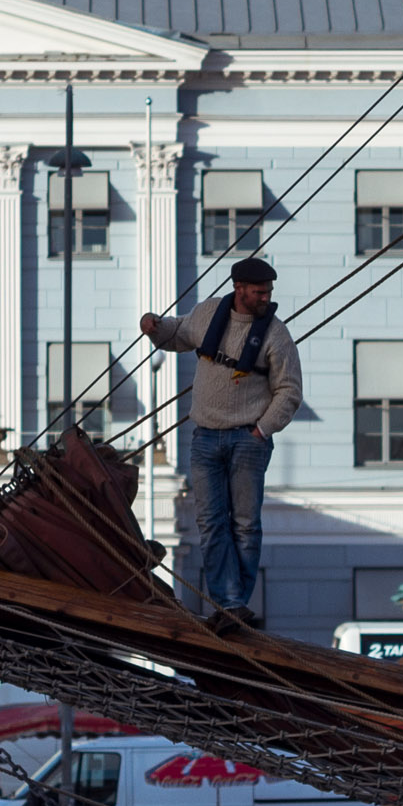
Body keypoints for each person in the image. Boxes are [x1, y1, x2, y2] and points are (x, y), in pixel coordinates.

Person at [139, 255, 303, 625]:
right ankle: (229, 604)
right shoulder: (208, 313)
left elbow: (289, 391)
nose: (266, 297)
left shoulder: (276, 334)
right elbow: (177, 334)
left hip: (248, 440)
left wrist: (262, 430)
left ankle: (232, 604)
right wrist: (152, 326)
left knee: (244, 524)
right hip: (205, 438)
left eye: (268, 292)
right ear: (239, 288)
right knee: (211, 522)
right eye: (259, 291)